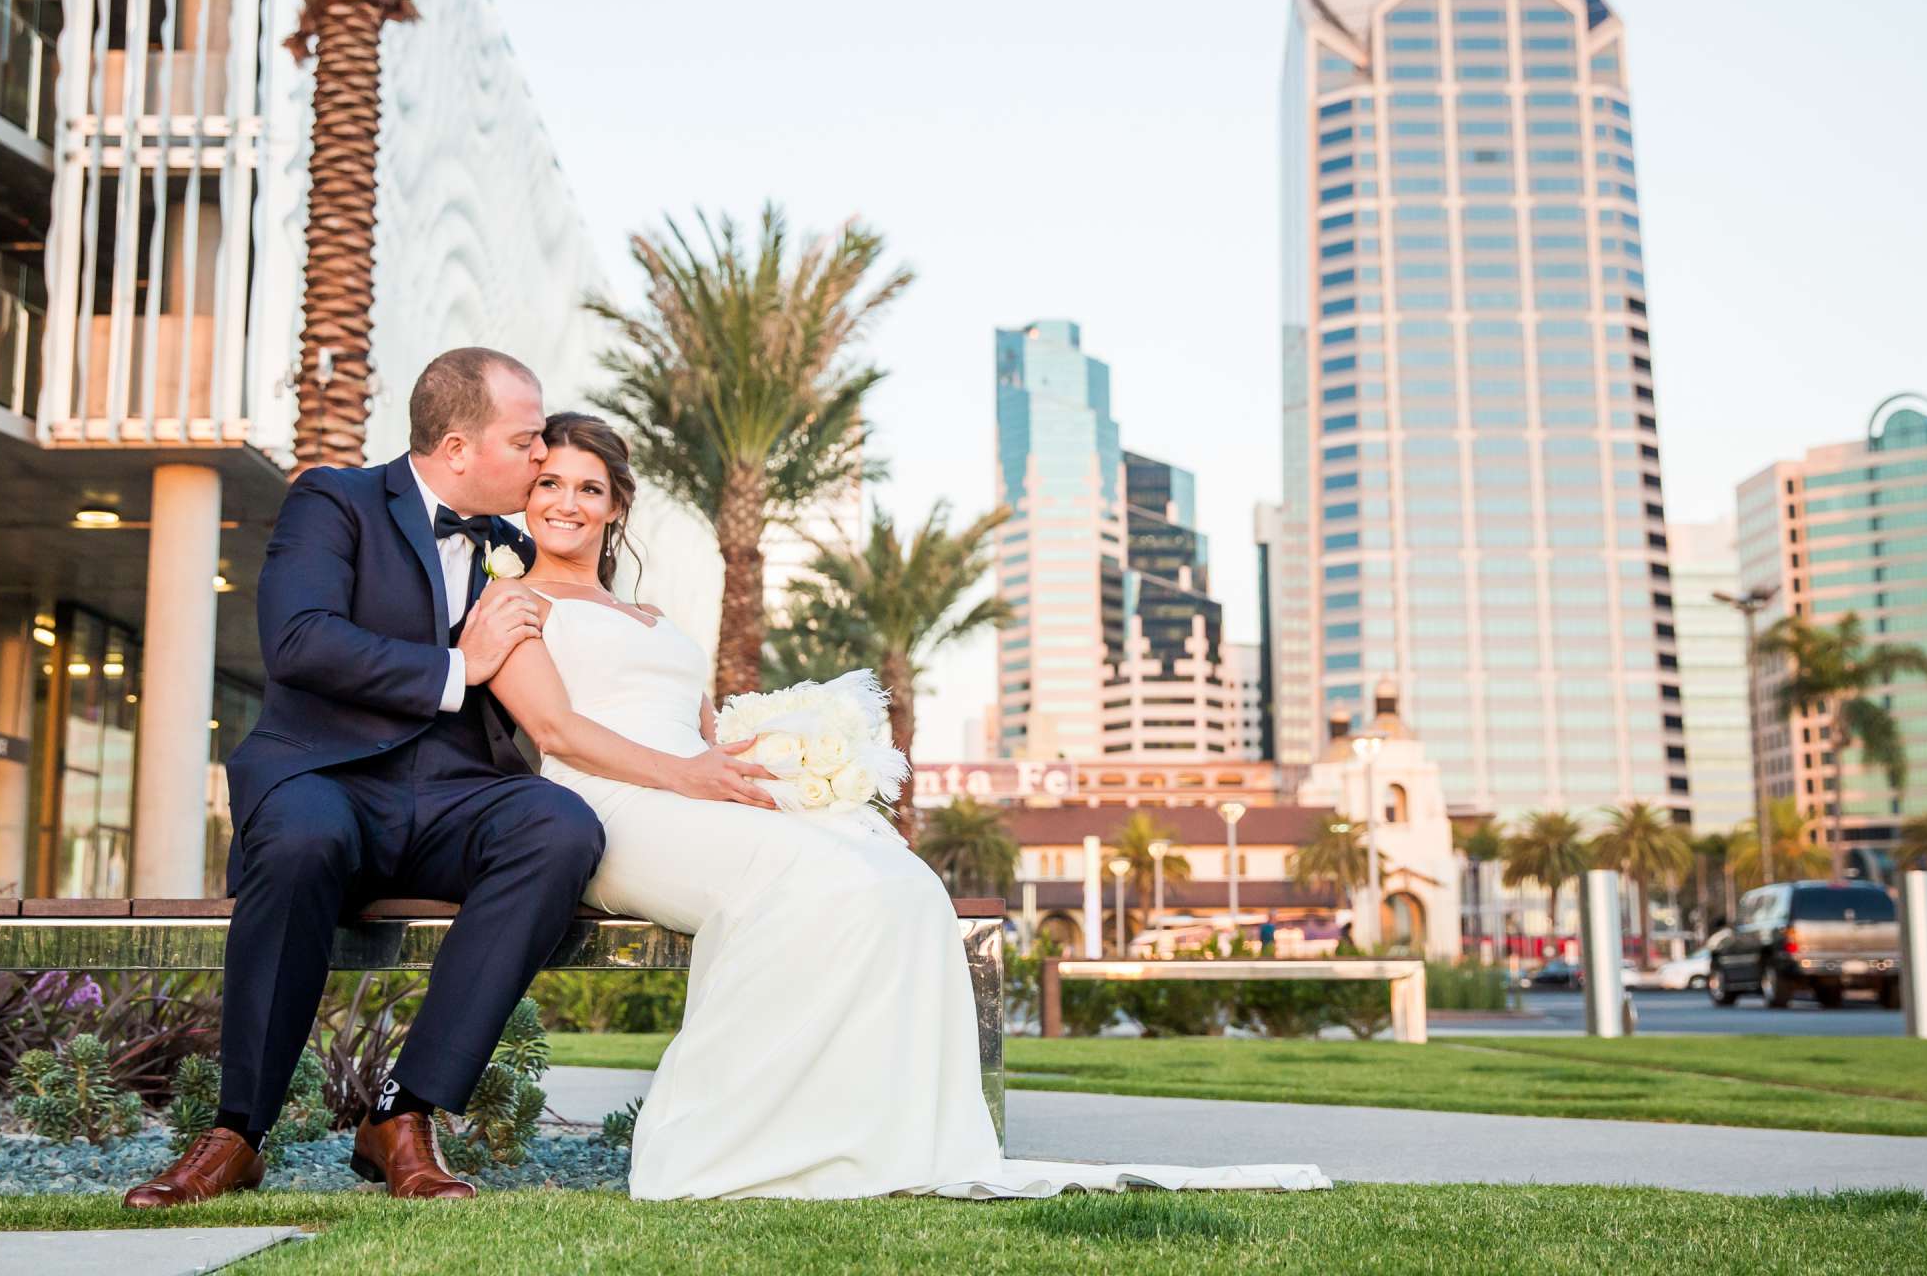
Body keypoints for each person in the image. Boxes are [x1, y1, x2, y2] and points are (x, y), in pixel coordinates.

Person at [483, 411, 1328, 1199]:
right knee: (811, 876)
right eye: (549, 482)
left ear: (615, 505)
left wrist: (785, 753)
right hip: (609, 809)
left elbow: (707, 728)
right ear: (524, 494)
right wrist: (689, 776)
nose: (566, 501)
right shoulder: (514, 602)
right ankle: (718, 1138)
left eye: (588, 487)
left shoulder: (655, 617)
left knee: (903, 882)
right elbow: (555, 729)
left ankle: (881, 1130)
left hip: (698, 789)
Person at [123, 349, 770, 1207]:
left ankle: (403, 1112)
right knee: (307, 839)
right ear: (459, 448)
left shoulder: (514, 548)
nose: (544, 460)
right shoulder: (335, 502)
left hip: (458, 798)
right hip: (328, 779)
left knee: (560, 827)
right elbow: (301, 641)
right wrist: (455, 668)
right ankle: (237, 1132)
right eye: (528, 440)